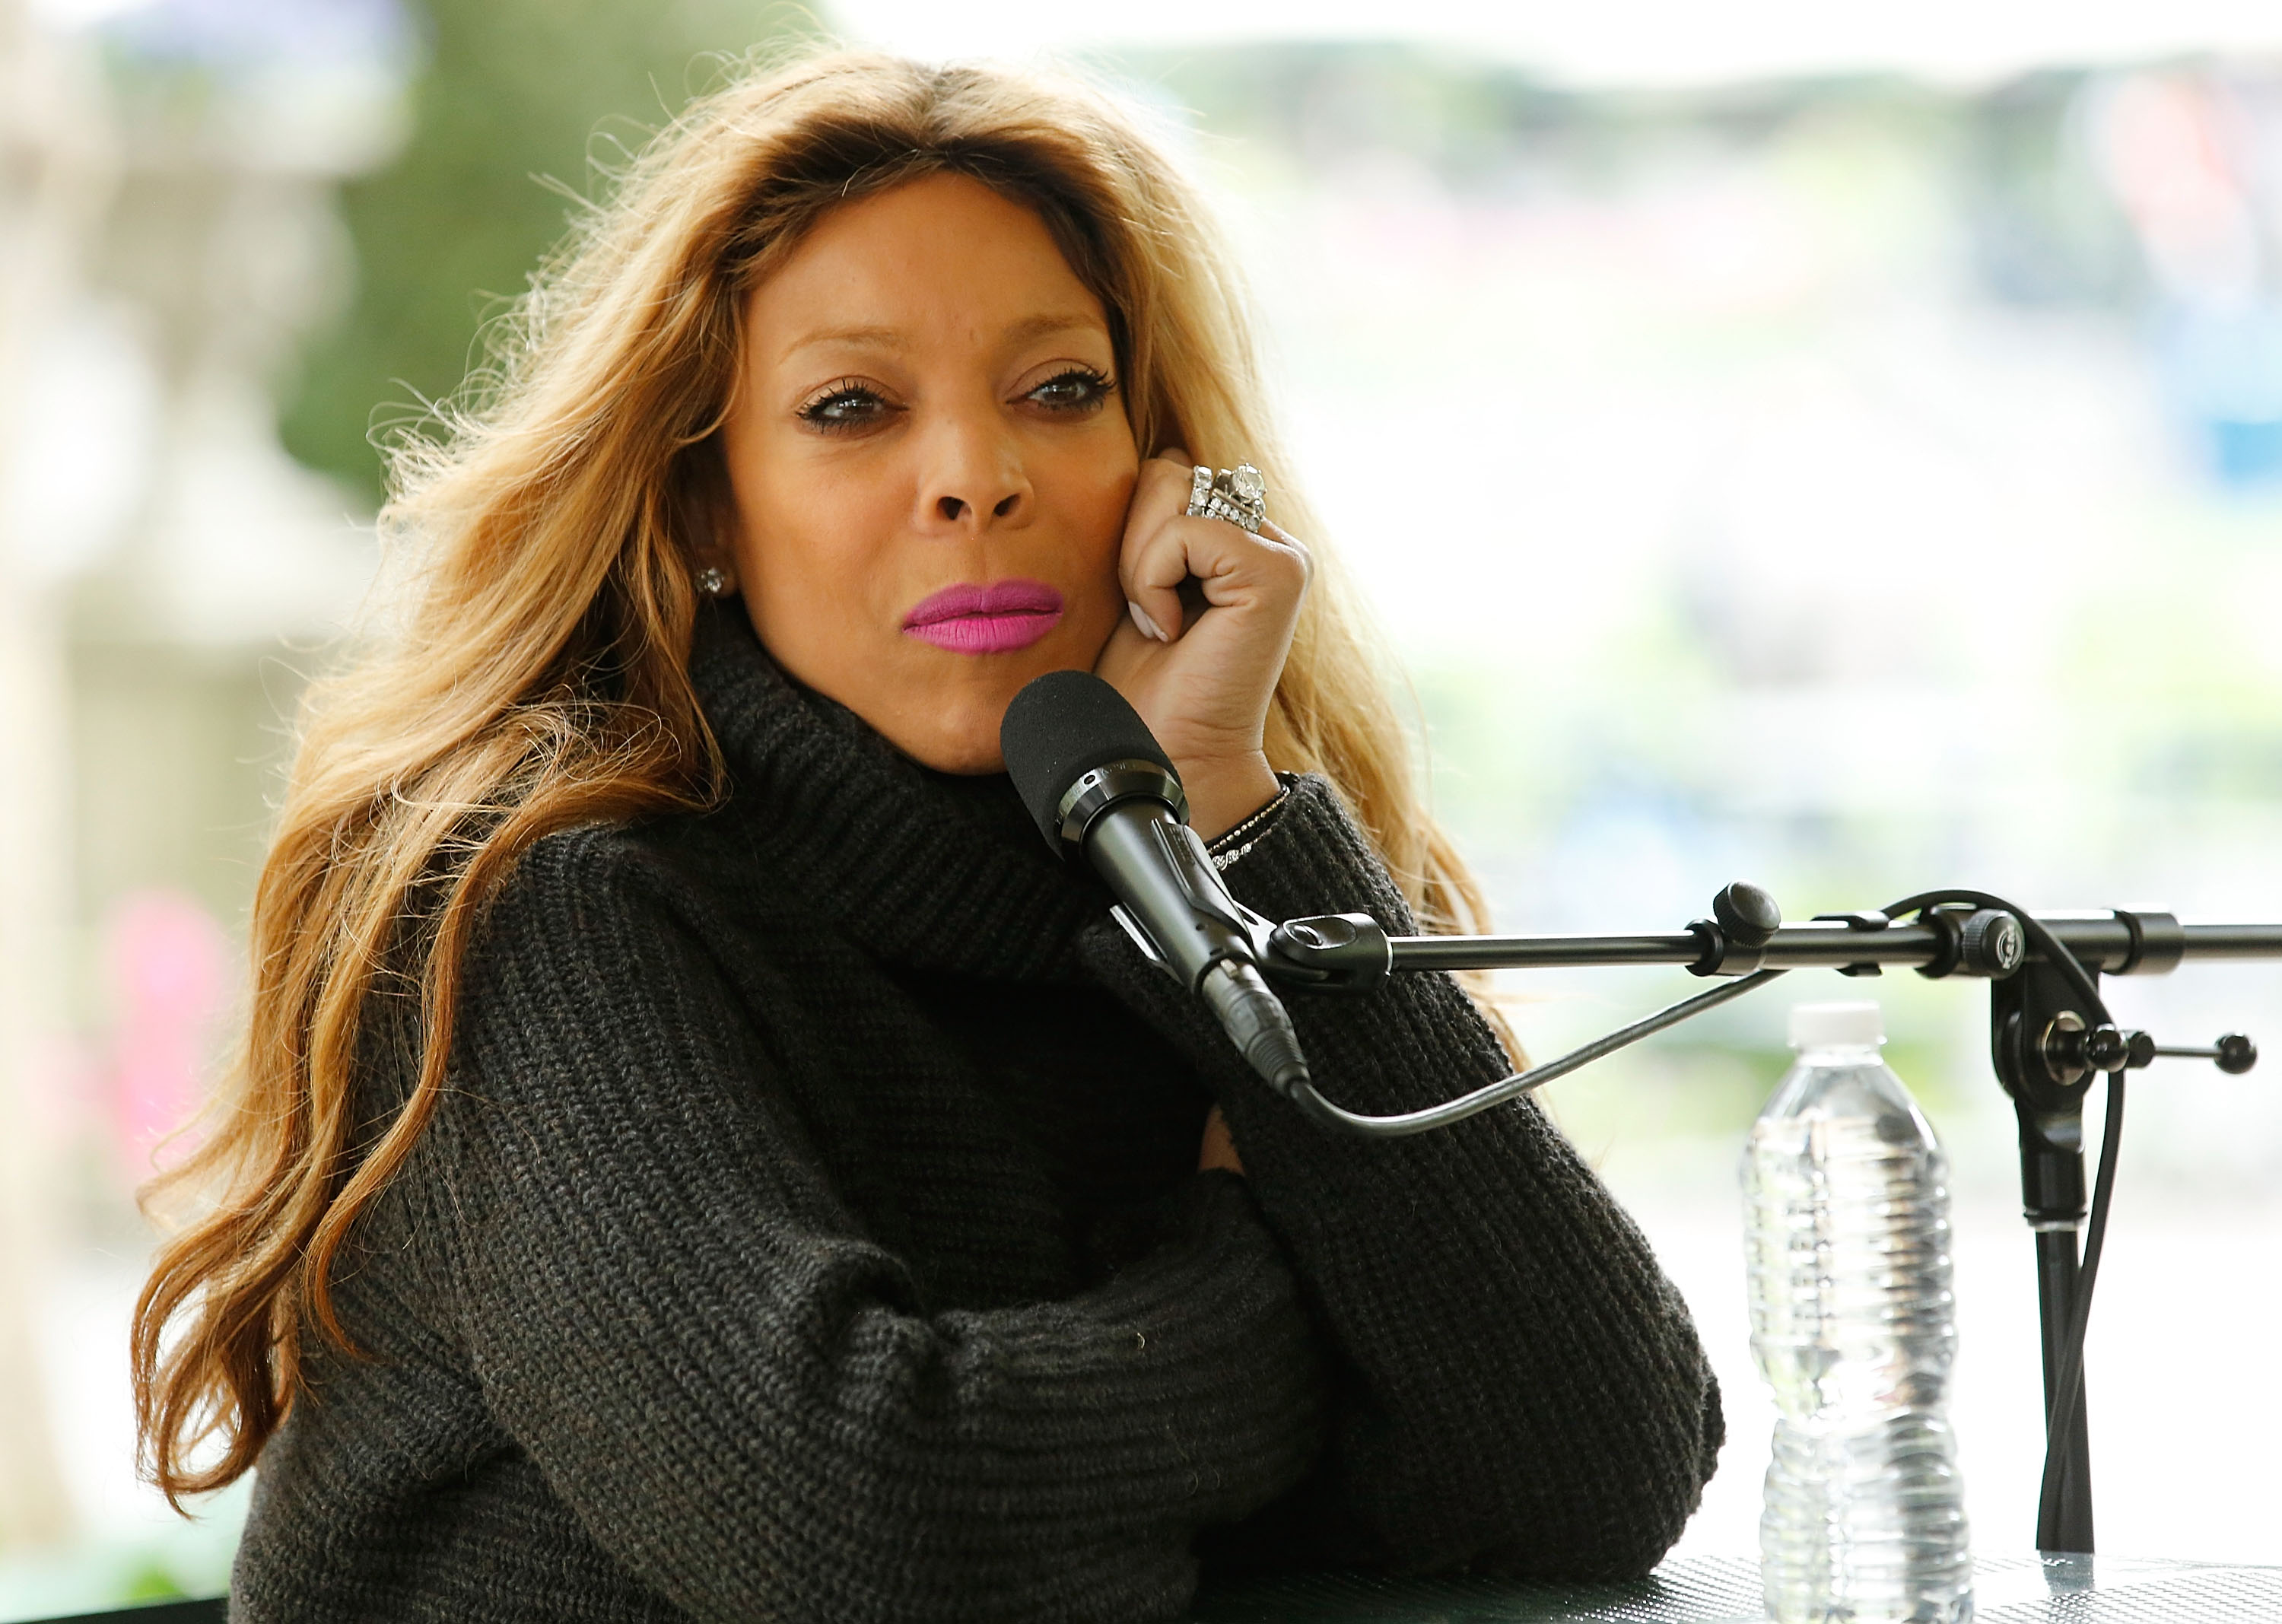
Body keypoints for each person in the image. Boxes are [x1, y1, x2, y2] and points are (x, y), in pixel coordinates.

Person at [132, 49, 1722, 1623]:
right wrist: (1252, 1264)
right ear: (704, 505)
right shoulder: (538, 902)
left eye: (1059, 392)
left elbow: (1592, 1475)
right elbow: (872, 1539)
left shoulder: (1193, 895)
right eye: (851, 409)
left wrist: (1226, 807)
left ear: (1168, 469)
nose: (975, 477)